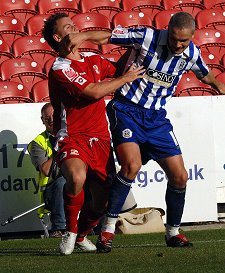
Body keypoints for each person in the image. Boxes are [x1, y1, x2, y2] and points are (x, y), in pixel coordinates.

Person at [59, 11, 225, 252]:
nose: (178, 45)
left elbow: (204, 73)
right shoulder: (147, 36)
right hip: (126, 110)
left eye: (184, 41)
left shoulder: (191, 54)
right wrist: (83, 35)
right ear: (168, 30)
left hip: (157, 119)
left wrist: (219, 85)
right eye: (175, 39)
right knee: (131, 167)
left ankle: (173, 233)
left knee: (180, 177)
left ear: (191, 37)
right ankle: (107, 230)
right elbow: (107, 37)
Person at [42, 13, 144, 255]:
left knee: (102, 202)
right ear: (59, 37)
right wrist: (125, 78)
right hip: (73, 136)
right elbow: (94, 92)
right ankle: (70, 232)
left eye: (75, 25)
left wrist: (136, 45)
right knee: (76, 177)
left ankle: (82, 236)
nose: (75, 28)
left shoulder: (91, 58)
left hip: (101, 138)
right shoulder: (60, 68)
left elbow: (115, 56)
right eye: (69, 27)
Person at [28, 102, 66, 238]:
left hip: (75, 180)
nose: (51, 120)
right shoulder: (37, 143)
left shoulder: (72, 134)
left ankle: (103, 225)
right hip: (51, 189)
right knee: (62, 182)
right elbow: (45, 169)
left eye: (53, 116)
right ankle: (59, 228)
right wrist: (59, 148)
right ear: (42, 121)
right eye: (47, 118)